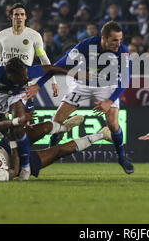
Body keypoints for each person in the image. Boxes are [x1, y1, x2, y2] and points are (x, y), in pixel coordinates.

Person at [24, 21, 134, 174]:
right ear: (104, 38)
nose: (118, 44)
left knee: (113, 123)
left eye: (120, 39)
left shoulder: (123, 52)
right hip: (82, 83)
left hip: (107, 85)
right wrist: (38, 85)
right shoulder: (85, 46)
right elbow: (57, 66)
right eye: (115, 40)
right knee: (56, 121)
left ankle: (122, 158)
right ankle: (48, 153)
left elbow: (125, 81)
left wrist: (109, 101)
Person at [0, 56, 82, 180]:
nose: (27, 79)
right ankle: (20, 150)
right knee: (5, 131)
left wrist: (72, 73)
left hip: (15, 95)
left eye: (27, 76)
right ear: (10, 75)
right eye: (23, 78)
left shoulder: (28, 72)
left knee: (18, 129)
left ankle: (25, 167)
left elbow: (52, 67)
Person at [0, 112, 101, 181]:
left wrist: (16, 121)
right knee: (58, 151)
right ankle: (100, 135)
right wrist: (14, 145)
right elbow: (15, 171)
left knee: (46, 127)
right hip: (18, 164)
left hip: (3, 146)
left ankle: (64, 128)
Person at [0, 2, 59, 124]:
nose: (19, 17)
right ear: (11, 16)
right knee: (0, 124)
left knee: (25, 124)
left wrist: (53, 81)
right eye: (16, 14)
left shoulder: (34, 36)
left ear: (26, 17)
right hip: (5, 83)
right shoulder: (2, 35)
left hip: (24, 85)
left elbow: (43, 58)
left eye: (22, 14)